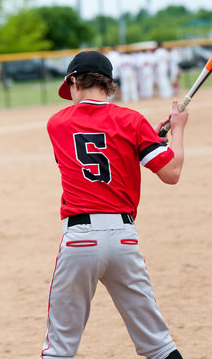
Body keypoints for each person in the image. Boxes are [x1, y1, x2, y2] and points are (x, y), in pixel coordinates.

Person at [40, 50, 188, 359]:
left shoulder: (56, 124)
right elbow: (171, 173)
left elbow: (92, 150)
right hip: (124, 239)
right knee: (159, 345)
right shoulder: (132, 121)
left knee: (59, 350)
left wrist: (141, 141)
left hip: (80, 239)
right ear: (110, 85)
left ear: (73, 82)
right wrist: (176, 131)